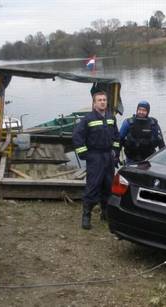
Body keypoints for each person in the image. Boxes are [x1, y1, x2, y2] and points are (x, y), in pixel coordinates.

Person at [73, 91, 120, 230]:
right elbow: (77, 136)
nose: (102, 102)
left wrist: (116, 153)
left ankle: (105, 213)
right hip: (95, 156)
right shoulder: (88, 118)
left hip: (108, 157)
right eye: (99, 100)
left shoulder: (111, 117)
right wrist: (85, 154)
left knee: (108, 185)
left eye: (104, 100)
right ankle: (86, 216)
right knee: (93, 186)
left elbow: (116, 137)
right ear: (94, 103)